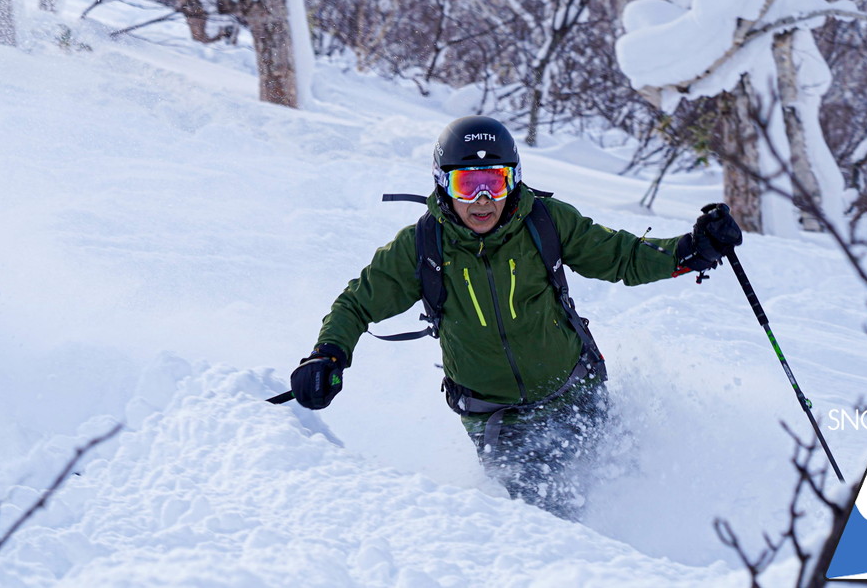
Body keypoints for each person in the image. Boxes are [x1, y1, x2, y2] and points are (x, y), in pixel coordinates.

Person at [287, 115, 742, 520]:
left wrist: (689, 250)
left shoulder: (544, 222)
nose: (483, 200)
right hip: (498, 419)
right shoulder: (423, 246)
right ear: (443, 184)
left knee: (628, 480)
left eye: (495, 183)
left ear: (515, 180)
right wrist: (327, 355)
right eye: (468, 185)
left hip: (575, 391)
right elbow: (358, 302)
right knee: (553, 519)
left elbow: (621, 256)